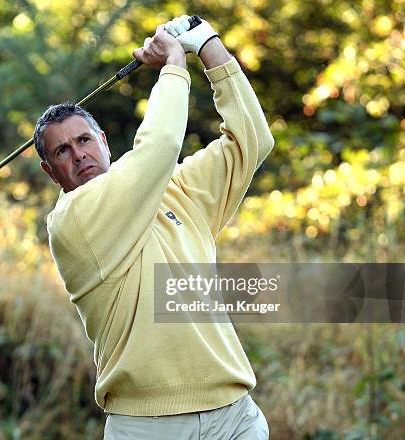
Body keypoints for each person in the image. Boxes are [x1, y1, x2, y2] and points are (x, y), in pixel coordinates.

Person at [33, 14, 274, 440]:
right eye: (63, 151)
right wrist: (173, 63)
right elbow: (160, 146)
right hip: (148, 425)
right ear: (51, 172)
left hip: (235, 414)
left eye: (84, 140)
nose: (79, 156)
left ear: (104, 141)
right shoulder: (73, 221)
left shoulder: (171, 188)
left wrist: (207, 45)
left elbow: (252, 140)